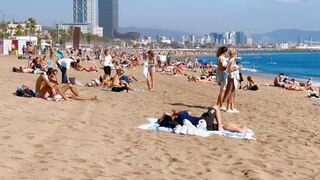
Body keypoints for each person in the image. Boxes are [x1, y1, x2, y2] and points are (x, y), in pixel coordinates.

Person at [159, 106, 248, 133]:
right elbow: (189, 111)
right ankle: (238, 129)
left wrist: (165, 116)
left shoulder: (175, 123)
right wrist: (177, 111)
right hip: (203, 122)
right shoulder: (181, 114)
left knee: (223, 126)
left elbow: (160, 122)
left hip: (204, 126)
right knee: (216, 107)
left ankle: (239, 128)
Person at [223, 49, 240, 113]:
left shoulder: (230, 60)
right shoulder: (232, 60)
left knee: (232, 93)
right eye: (236, 53)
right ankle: (228, 108)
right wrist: (237, 68)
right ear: (233, 54)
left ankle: (232, 107)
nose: (237, 54)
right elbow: (229, 70)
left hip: (232, 77)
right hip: (232, 77)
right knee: (231, 93)